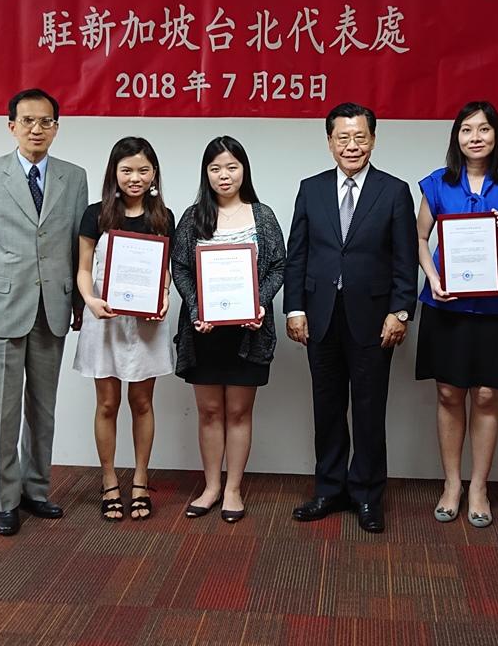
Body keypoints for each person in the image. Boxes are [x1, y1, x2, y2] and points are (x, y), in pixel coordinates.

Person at [284, 102, 418, 534]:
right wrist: (295, 307)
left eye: (360, 137)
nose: (352, 145)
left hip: (375, 318)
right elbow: (298, 254)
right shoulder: (311, 188)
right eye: (342, 138)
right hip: (320, 316)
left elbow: (405, 258)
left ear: (374, 140)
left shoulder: (393, 190)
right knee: (326, 407)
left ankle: (366, 495)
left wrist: (400, 310)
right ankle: (328, 489)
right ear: (329, 142)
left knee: (368, 410)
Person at [0, 88, 88, 537]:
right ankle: (3, 499)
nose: (38, 129)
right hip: (2, 308)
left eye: (47, 121)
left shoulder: (74, 178)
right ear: (11, 124)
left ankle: (37, 489)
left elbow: (78, 246)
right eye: (29, 121)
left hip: (52, 305)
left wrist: (77, 303)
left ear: (57, 126)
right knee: (2, 410)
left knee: (43, 409)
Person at [415, 101, 498, 529]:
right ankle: (452, 484)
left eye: (483, 129)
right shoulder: (437, 183)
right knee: (449, 393)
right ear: (457, 137)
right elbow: (419, 238)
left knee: (487, 394)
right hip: (446, 304)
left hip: (495, 307)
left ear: (496, 136)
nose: (474, 137)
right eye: (466, 130)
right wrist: (431, 277)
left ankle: (480, 486)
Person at [171, 136, 285, 523]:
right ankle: (211, 487)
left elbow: (279, 267)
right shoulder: (193, 216)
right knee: (208, 412)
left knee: (238, 413)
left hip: (247, 332)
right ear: (206, 173)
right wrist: (196, 306)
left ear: (244, 171)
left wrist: (260, 302)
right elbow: (181, 268)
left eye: (232, 167)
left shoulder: (262, 215)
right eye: (216, 168)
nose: (224, 175)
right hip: (203, 331)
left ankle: (233, 488)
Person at [73, 137, 175, 522]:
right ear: (114, 173)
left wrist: (163, 298)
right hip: (106, 321)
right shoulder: (95, 214)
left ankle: (141, 481)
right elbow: (84, 269)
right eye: (127, 170)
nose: (135, 177)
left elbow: (164, 272)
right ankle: (110, 480)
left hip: (146, 324)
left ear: (154, 175)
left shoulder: (163, 216)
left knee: (143, 403)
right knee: (107, 404)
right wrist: (90, 300)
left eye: (143, 170)